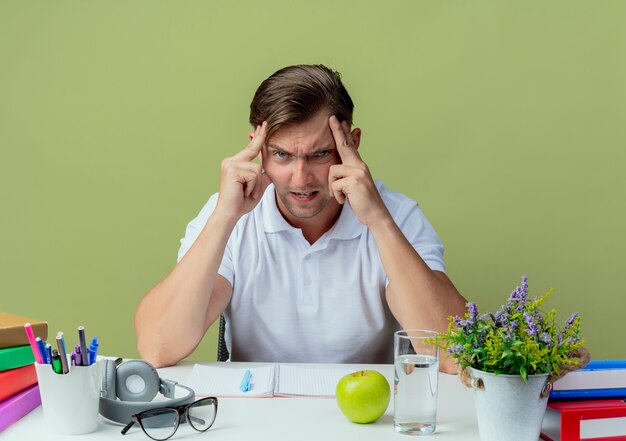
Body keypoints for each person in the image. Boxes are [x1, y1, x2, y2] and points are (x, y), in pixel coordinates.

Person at [135, 64, 467, 372]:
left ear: (351, 145)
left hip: (368, 420)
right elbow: (158, 348)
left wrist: (379, 222)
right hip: (255, 416)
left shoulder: (396, 215)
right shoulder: (227, 212)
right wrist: (224, 217)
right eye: (282, 155)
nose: (300, 178)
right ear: (257, 150)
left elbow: (454, 355)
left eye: (320, 154)